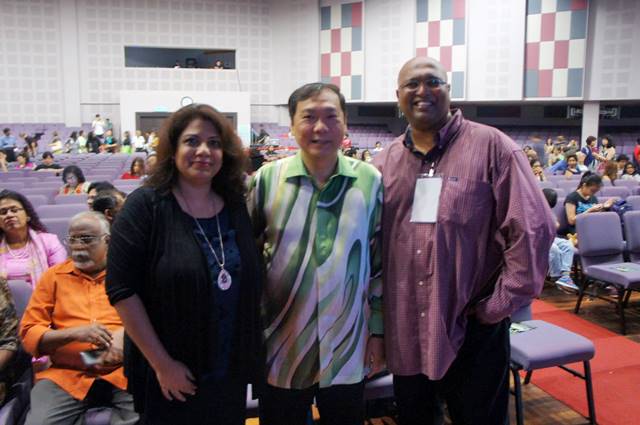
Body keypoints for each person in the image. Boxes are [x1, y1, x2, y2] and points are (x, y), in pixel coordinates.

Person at [373, 57, 554, 425]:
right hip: (407, 325)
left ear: (449, 91)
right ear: (398, 96)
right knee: (415, 418)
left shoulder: (493, 147)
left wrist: (498, 305)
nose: (422, 91)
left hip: (474, 325)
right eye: (412, 84)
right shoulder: (383, 163)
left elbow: (533, 229)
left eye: (433, 82)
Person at [106, 104, 264, 424]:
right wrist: (162, 364)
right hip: (173, 372)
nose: (204, 150)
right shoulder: (146, 205)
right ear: (173, 149)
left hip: (229, 366)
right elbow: (121, 290)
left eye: (214, 143)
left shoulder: (234, 204)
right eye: (192, 141)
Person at [249, 82, 384, 425]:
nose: (320, 128)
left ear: (345, 124)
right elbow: (247, 264)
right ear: (292, 126)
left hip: (347, 345)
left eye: (330, 117)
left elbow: (380, 263)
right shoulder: (265, 181)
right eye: (308, 117)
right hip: (282, 348)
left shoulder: (370, 182)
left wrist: (378, 332)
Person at [19, 212, 138, 425]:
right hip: (67, 373)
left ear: (107, 240)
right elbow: (29, 333)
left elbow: (157, 318)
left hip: (124, 370)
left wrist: (127, 337)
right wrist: (74, 333)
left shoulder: (131, 273)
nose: (78, 246)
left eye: (86, 239)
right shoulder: (53, 277)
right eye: (73, 239)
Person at [0, 190, 67, 287]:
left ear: (27, 215)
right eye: (3, 212)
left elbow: (61, 277)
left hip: (46, 298)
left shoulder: (49, 241)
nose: (9, 215)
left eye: (14, 210)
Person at [542, 189, 578, 291]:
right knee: (554, 249)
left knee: (568, 244)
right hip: (536, 239)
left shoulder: (547, 209)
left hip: (549, 237)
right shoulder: (532, 207)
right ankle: (556, 276)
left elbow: (556, 224)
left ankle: (565, 277)